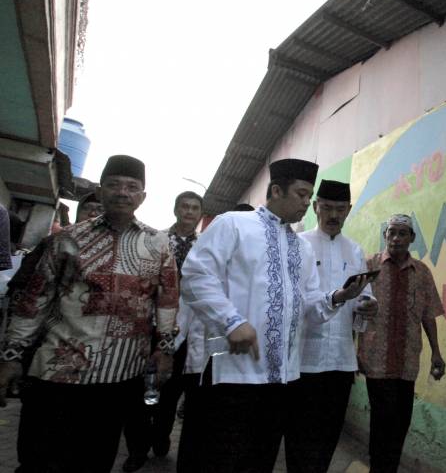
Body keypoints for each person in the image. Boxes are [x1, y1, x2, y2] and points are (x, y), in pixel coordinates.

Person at [178, 158, 371, 473]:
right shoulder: (234, 224)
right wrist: (232, 321)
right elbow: (196, 276)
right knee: (224, 459)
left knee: (261, 458)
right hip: (235, 372)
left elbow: (310, 306)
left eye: (309, 197)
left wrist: (338, 297)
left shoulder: (301, 248)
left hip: (283, 377)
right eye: (301, 194)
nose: (306, 204)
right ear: (277, 190)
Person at [0, 154, 179, 473]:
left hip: (119, 375)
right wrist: (12, 355)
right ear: (99, 190)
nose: (122, 193)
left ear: (142, 196)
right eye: (114, 185)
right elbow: (35, 299)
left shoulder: (158, 244)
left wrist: (164, 350)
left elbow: (166, 300)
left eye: (131, 187)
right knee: (39, 461)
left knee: (94, 461)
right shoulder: (67, 239)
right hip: (57, 371)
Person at [285, 179, 378, 472]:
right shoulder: (298, 244)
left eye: (340, 209)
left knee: (329, 434)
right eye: (327, 207)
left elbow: (364, 295)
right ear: (315, 207)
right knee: (299, 434)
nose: (333, 215)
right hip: (303, 360)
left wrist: (368, 305)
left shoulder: (355, 250)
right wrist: (338, 297)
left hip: (340, 360)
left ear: (348, 210)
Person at [122, 190, 204, 472]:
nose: (189, 212)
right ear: (175, 209)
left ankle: (161, 436)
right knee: (146, 391)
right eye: (185, 206)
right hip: (154, 328)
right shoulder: (155, 240)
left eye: (194, 208)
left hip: (189, 330)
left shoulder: (206, 246)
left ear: (200, 214)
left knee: (173, 391)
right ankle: (138, 449)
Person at [358, 214, 446, 473]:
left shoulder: (422, 272)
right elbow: (353, 311)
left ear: (412, 238)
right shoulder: (369, 266)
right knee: (382, 420)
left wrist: (436, 353)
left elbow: (428, 315)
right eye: (391, 232)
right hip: (376, 359)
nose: (396, 238)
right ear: (385, 235)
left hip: (408, 361)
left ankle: (389, 468)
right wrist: (352, 352)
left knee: (401, 422)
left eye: (402, 233)